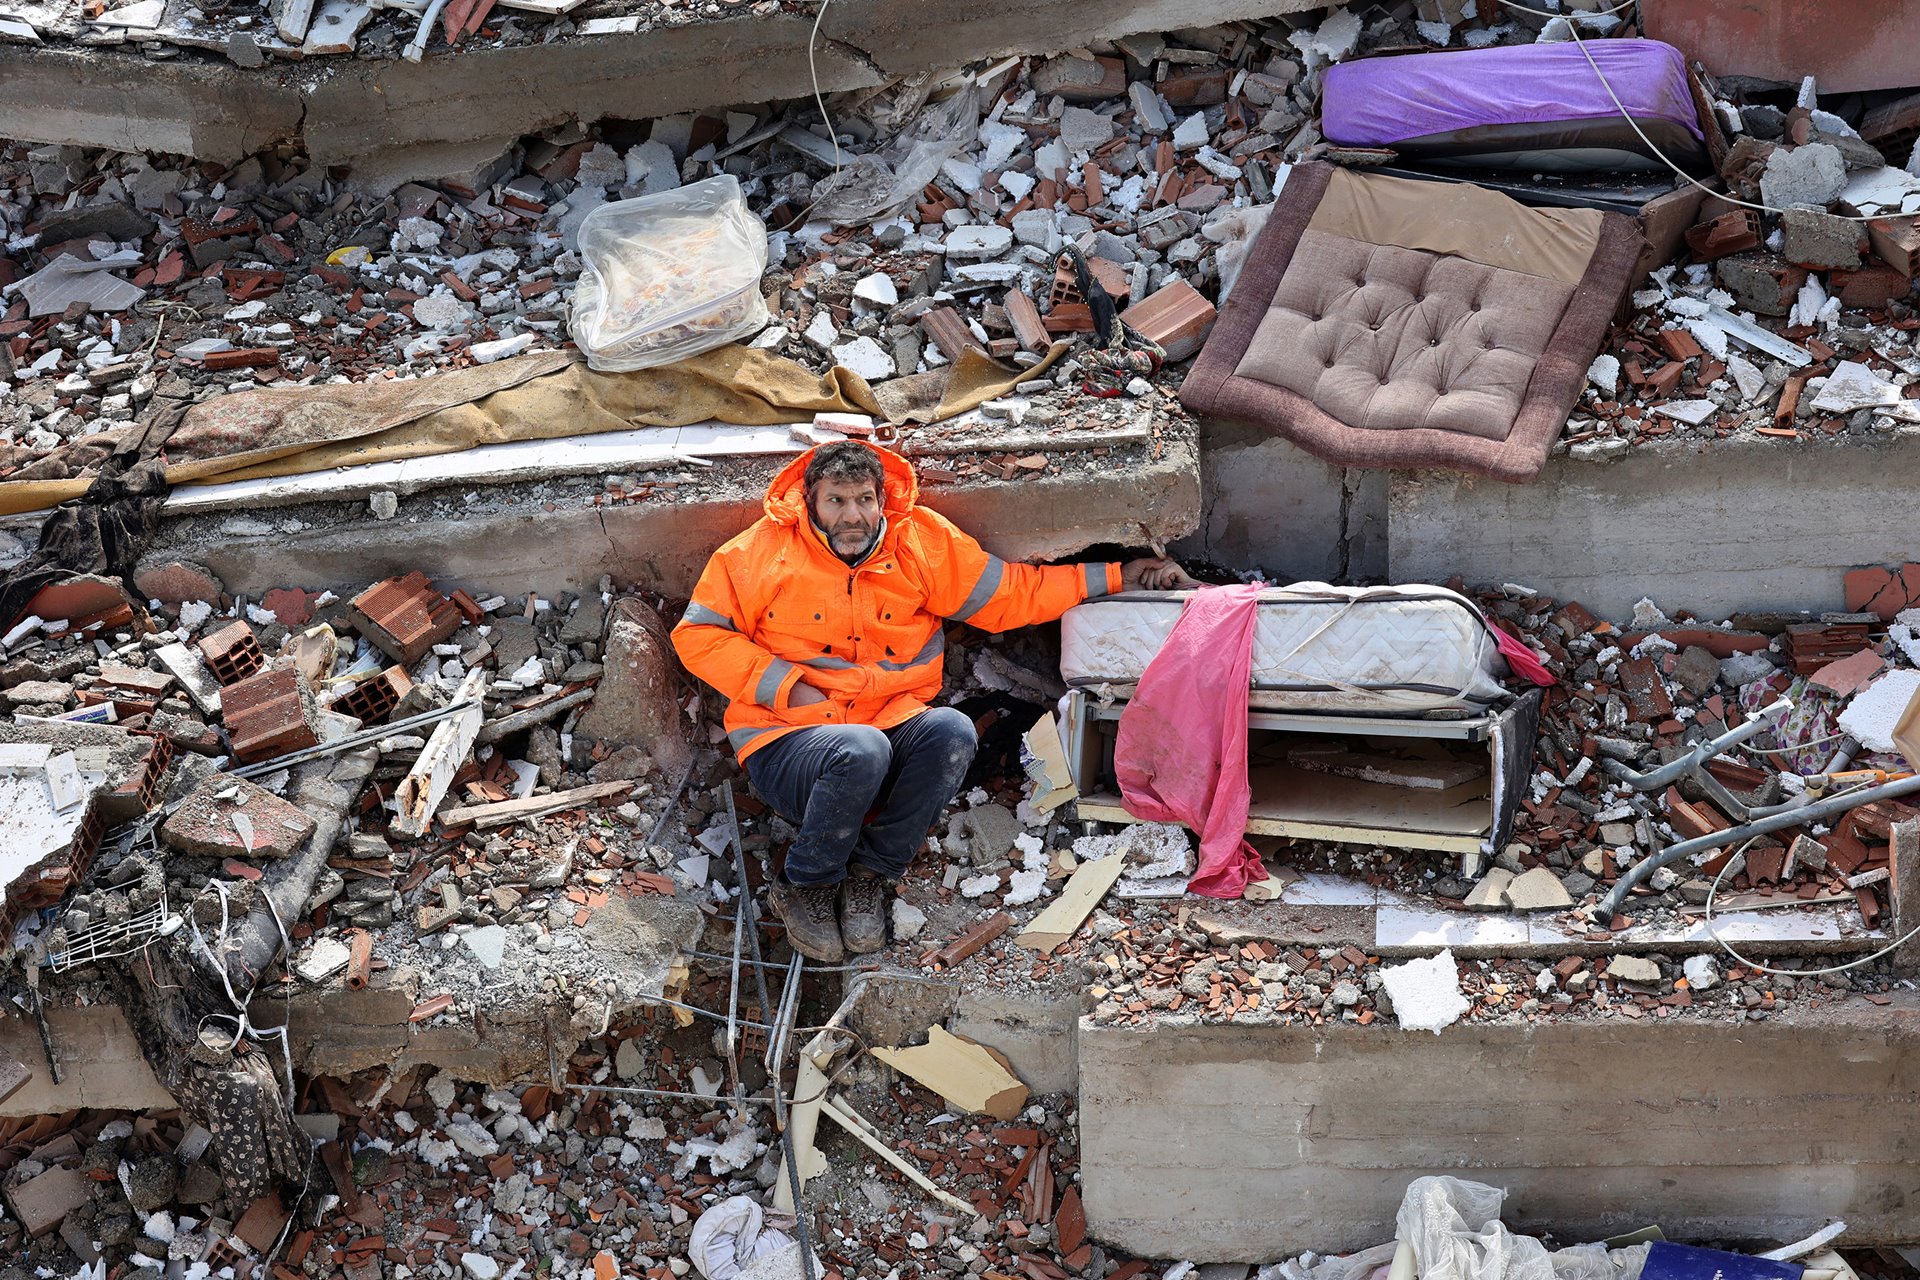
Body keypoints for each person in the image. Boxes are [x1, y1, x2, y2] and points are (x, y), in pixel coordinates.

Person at [671, 440, 1191, 961]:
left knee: (952, 731)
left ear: (881, 500)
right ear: (810, 502)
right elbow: (698, 636)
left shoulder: (918, 542)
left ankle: (871, 875)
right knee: (861, 750)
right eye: (836, 501)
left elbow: (1012, 595)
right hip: (789, 743)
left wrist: (1123, 575)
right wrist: (788, 687)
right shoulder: (759, 551)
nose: (853, 516)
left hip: (887, 731)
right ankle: (806, 884)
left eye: (864, 500)